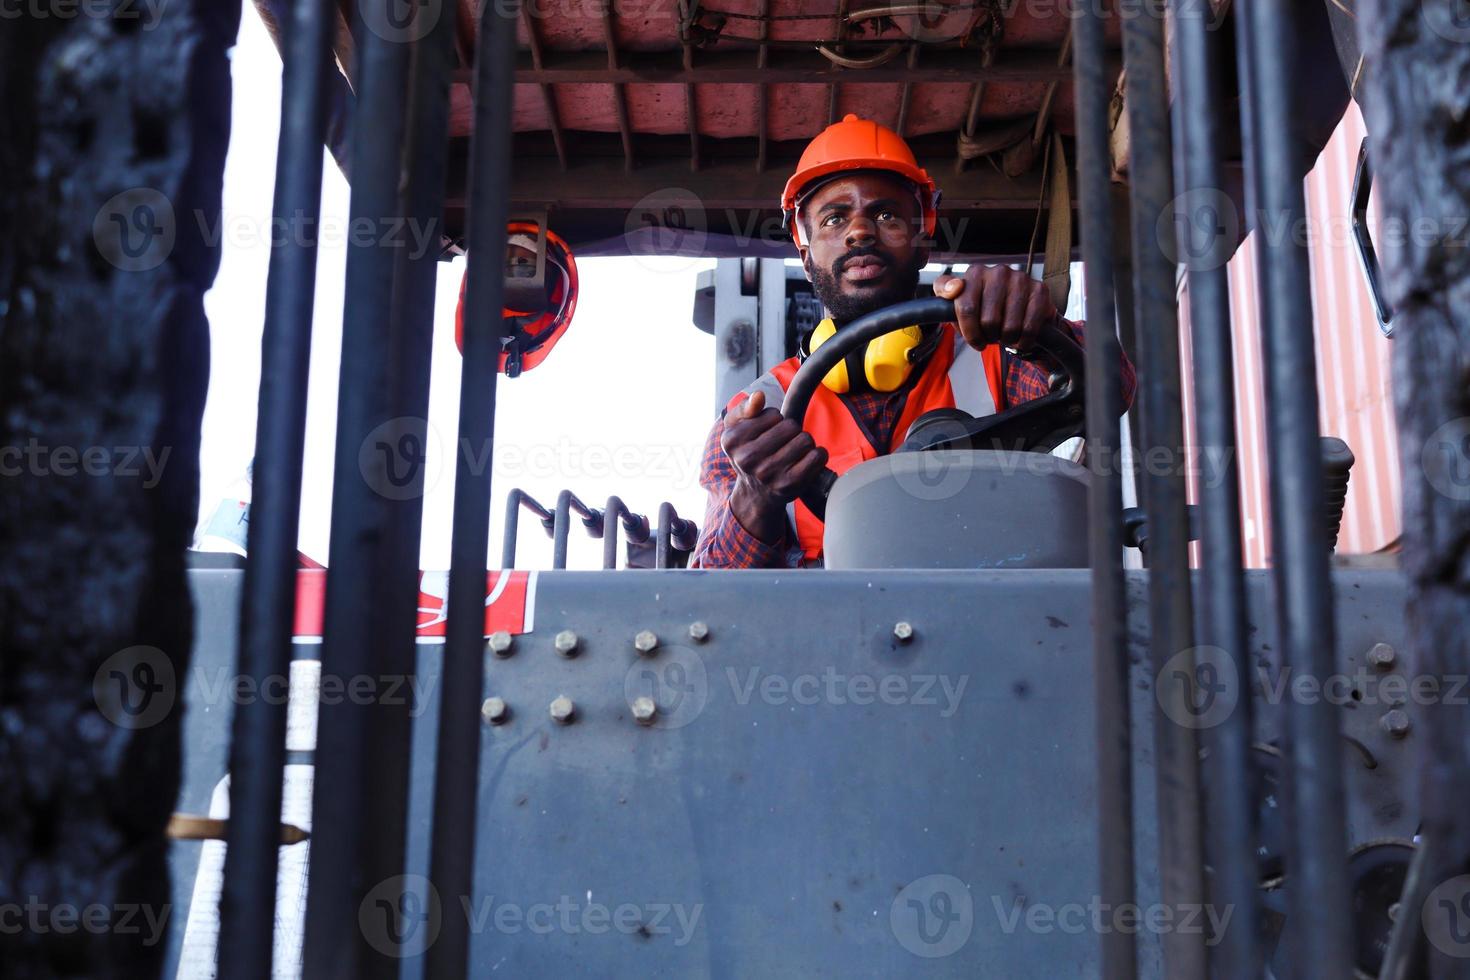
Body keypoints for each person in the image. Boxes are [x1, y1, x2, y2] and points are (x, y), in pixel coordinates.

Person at [691, 114, 1136, 569]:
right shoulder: (755, 416)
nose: (860, 231)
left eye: (885, 214)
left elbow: (1112, 387)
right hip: (828, 635)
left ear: (923, 242)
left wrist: (1041, 329)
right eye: (833, 218)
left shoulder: (993, 355)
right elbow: (711, 592)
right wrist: (754, 498)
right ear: (806, 256)